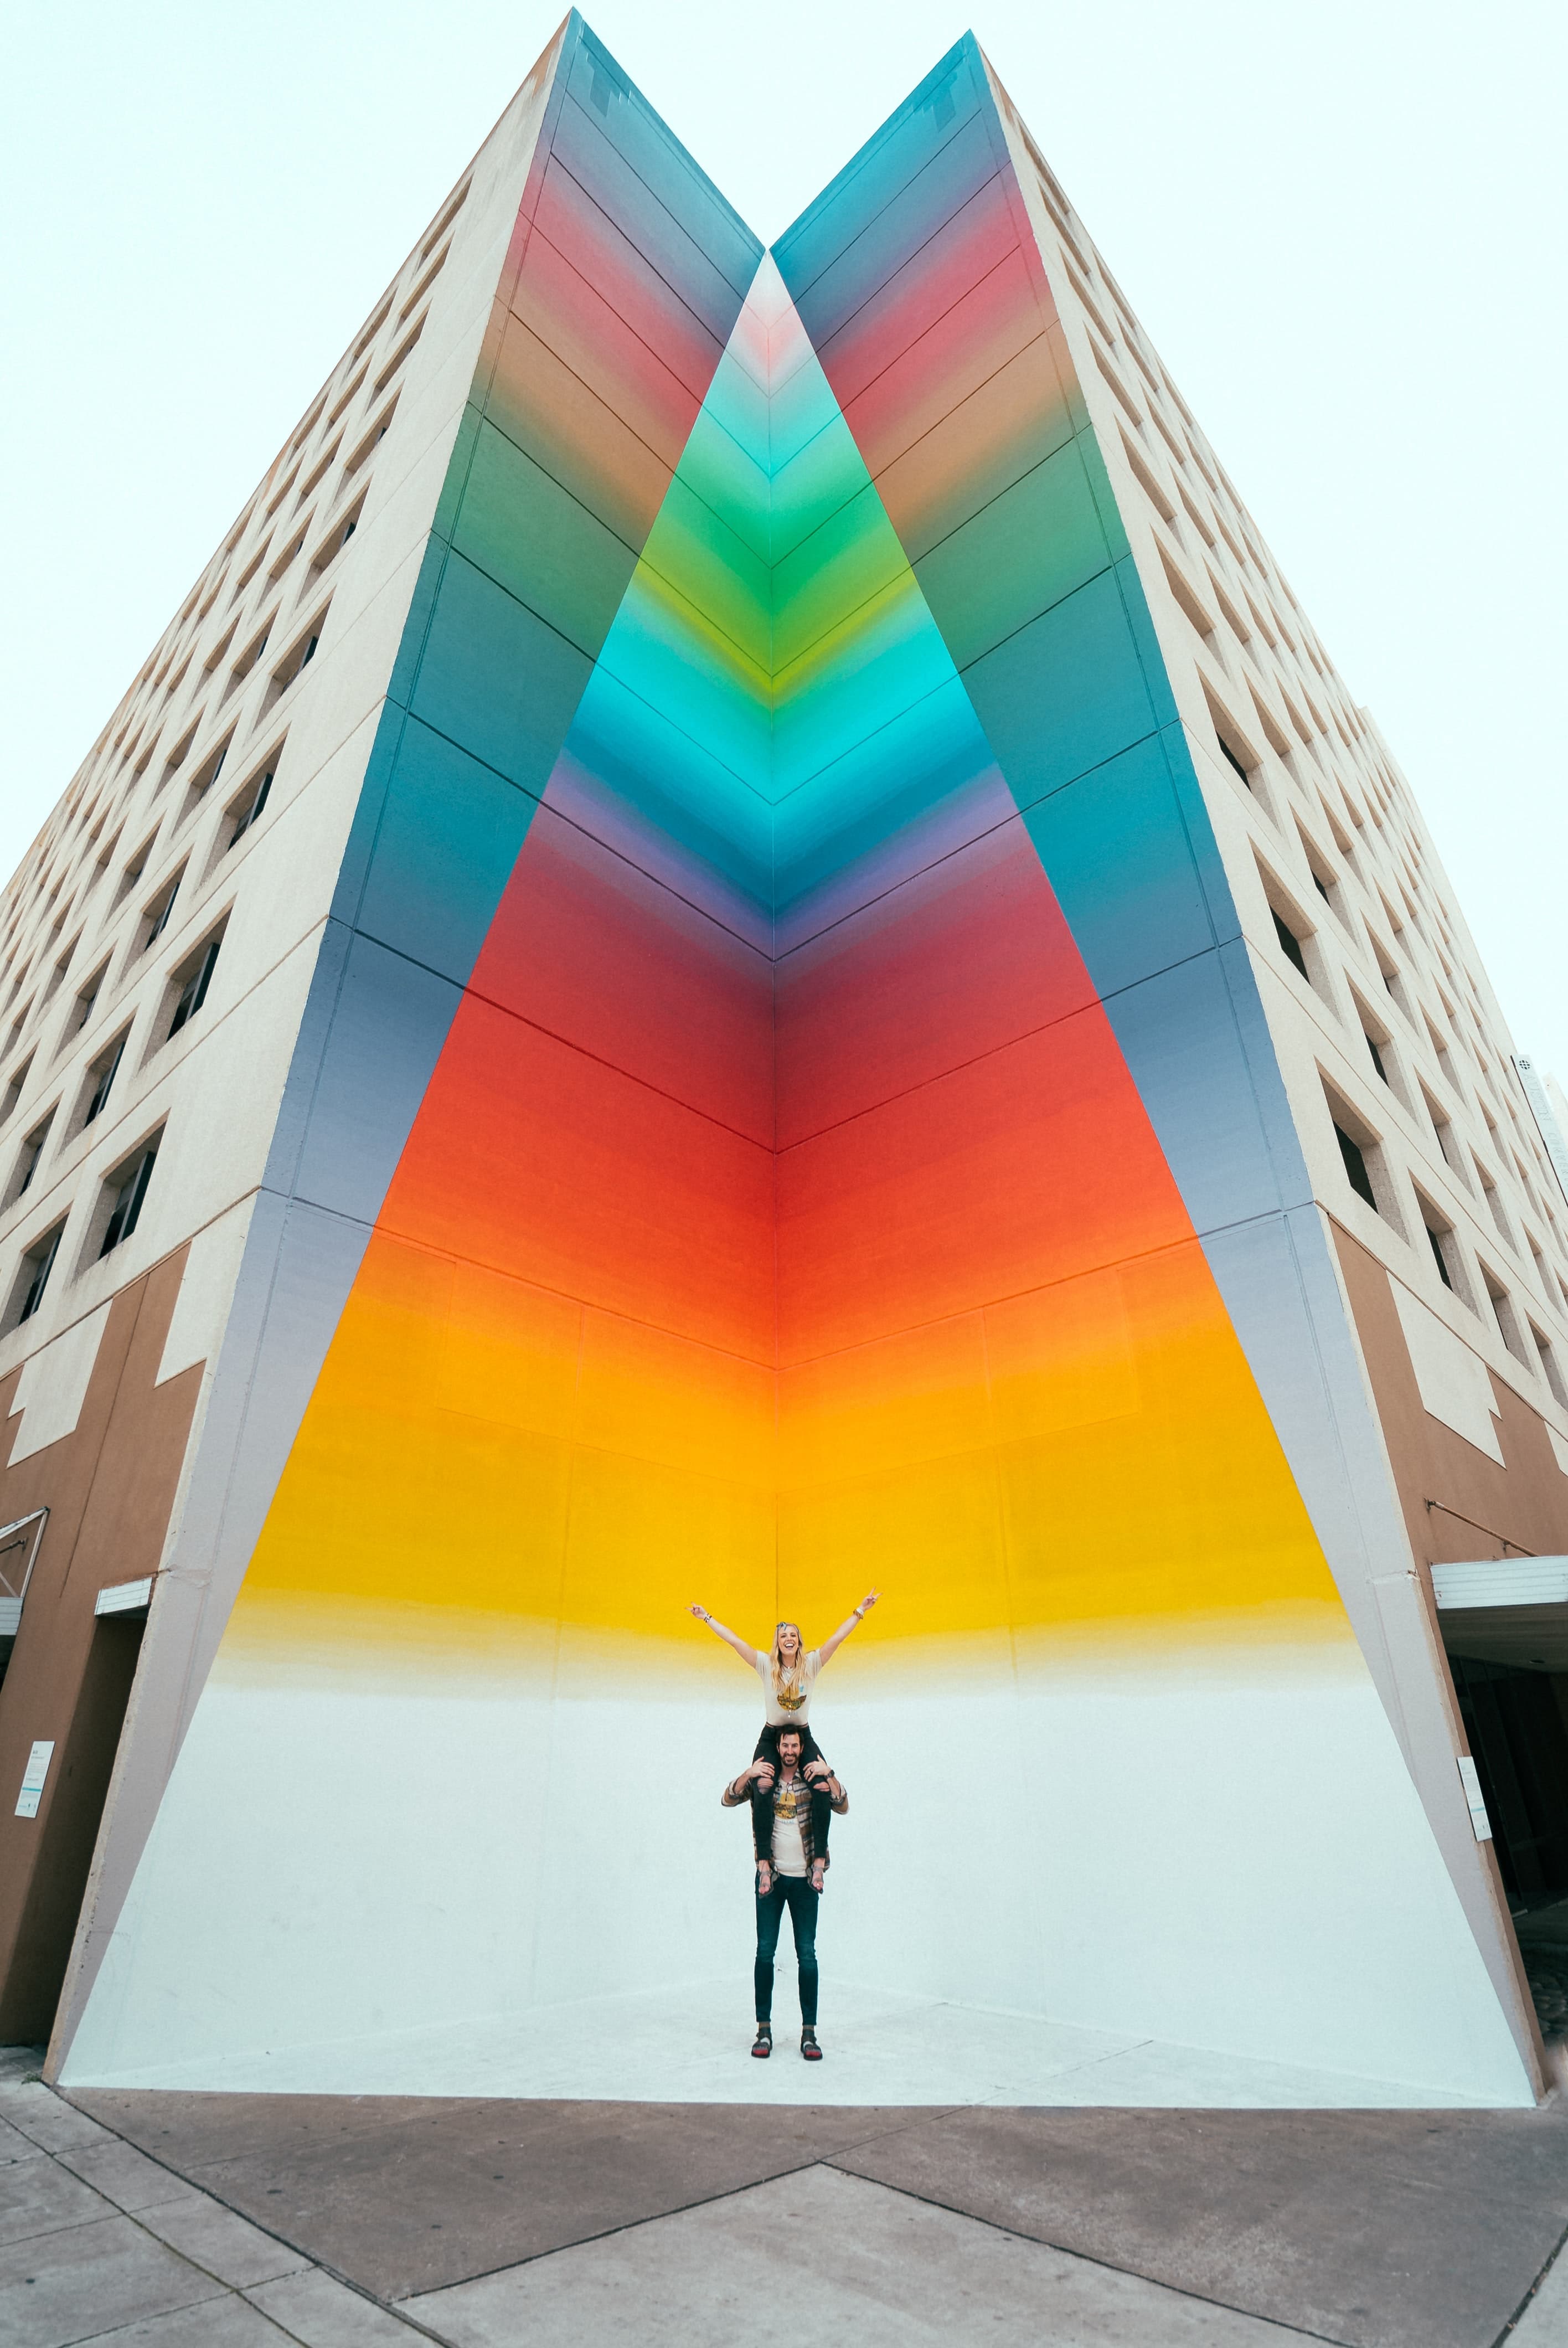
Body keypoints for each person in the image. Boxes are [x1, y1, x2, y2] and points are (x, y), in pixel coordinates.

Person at [687, 1592, 879, 1892]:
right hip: (772, 1736)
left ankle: (818, 1863)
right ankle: (764, 1865)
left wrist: (860, 1610)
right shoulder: (765, 1666)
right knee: (762, 1786)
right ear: (777, 1643)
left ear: (799, 1642)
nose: (788, 1638)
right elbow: (736, 1643)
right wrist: (707, 1618)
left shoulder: (812, 1664)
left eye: (793, 1635)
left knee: (821, 1785)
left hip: (802, 1736)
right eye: (783, 1635)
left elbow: (836, 1640)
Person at [723, 1727, 847, 2060]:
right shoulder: (766, 1780)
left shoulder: (813, 1780)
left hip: (805, 1880)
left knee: (807, 1954)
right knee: (765, 1953)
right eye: (785, 1744)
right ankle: (763, 2030)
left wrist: (829, 1772)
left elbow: (843, 1804)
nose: (790, 1749)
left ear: (800, 1747)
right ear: (777, 1747)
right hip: (773, 1879)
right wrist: (748, 1772)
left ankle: (810, 2034)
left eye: (795, 1745)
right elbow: (728, 1798)